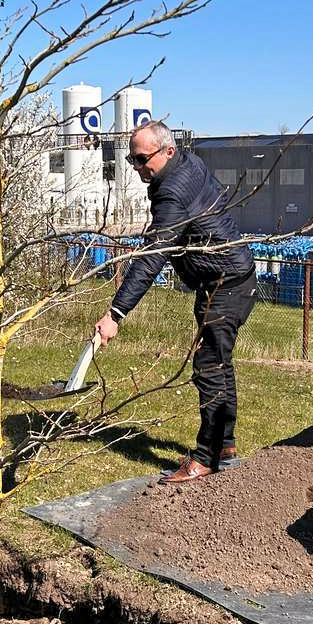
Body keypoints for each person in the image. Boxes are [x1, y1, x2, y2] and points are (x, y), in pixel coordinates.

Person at [94, 120, 257, 483]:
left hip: (225, 284)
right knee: (218, 363)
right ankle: (225, 447)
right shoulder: (189, 162)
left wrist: (115, 314)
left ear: (168, 151)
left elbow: (153, 256)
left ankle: (205, 458)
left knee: (208, 366)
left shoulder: (172, 194)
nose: (137, 167)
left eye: (141, 159)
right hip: (231, 276)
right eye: (132, 160)